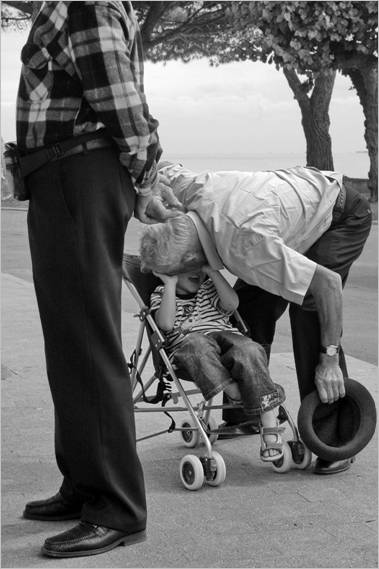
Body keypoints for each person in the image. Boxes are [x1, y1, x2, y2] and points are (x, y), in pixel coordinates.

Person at [16, 1, 174, 559]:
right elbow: (120, 91)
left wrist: (147, 174)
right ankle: (86, 484)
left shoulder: (84, 1)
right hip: (66, 177)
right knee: (70, 342)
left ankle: (116, 509)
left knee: (87, 342)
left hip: (77, 175)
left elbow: (121, 101)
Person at [139, 162, 372, 475]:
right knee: (250, 309)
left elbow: (327, 284)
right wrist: (147, 193)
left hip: (339, 216)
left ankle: (334, 437)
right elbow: (162, 167)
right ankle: (248, 410)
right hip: (277, 219)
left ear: (195, 261)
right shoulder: (187, 192)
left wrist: (328, 358)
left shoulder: (246, 247)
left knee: (311, 311)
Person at [150, 263, 286, 461]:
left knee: (250, 349)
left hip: (226, 339)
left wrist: (212, 272)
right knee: (194, 345)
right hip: (192, 348)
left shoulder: (208, 288)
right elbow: (165, 324)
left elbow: (232, 305)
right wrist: (170, 284)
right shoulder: (161, 294)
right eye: (188, 266)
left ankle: (268, 419)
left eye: (199, 264)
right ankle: (236, 392)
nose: (196, 270)